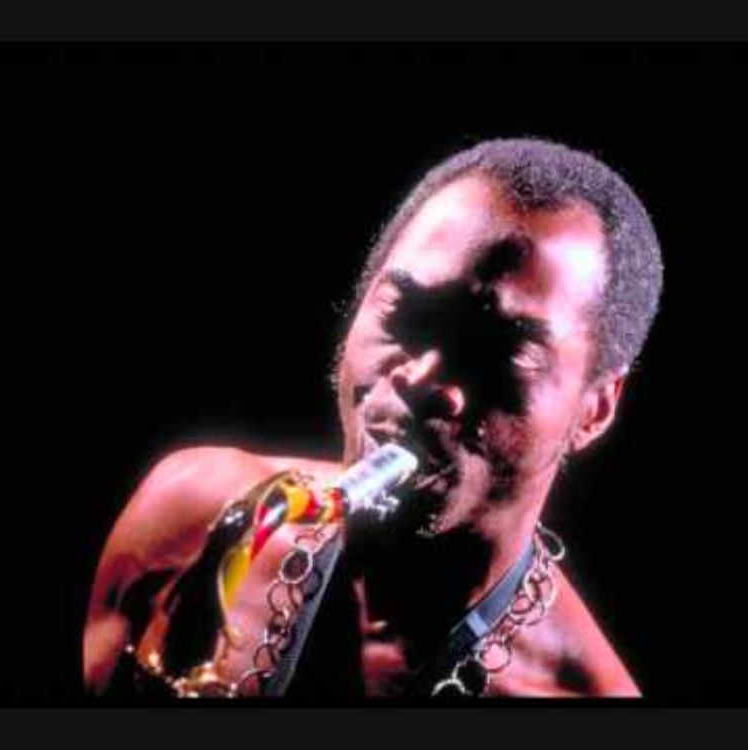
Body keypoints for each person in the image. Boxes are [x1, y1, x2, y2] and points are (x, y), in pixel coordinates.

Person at [83, 138, 664, 698]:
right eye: (406, 313)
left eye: (500, 350)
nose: (421, 378)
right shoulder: (184, 516)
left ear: (595, 409)